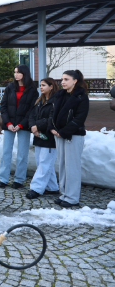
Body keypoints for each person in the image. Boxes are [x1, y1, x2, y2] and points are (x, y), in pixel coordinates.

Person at [50, 70, 90, 208]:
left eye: (66, 79)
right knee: (62, 165)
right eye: (62, 79)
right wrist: (52, 128)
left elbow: (79, 119)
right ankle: (64, 194)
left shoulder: (81, 97)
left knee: (72, 167)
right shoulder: (60, 95)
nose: (63, 82)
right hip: (58, 134)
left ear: (75, 81)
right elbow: (52, 113)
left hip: (74, 135)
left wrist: (64, 132)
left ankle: (72, 197)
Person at [0, 64, 39, 189]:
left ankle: (19, 180)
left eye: (18, 72)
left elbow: (32, 110)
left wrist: (21, 124)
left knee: (22, 154)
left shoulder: (32, 90)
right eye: (15, 72)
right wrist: (8, 123)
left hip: (24, 125)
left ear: (25, 74)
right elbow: (3, 106)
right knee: (6, 152)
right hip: (9, 124)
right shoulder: (10, 87)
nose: (16, 74)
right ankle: (3, 179)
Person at [26, 78, 60, 199]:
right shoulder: (39, 101)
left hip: (50, 137)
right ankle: (52, 187)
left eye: (44, 85)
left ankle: (36, 188)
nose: (41, 87)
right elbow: (32, 115)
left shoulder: (56, 101)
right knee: (41, 162)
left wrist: (37, 126)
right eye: (40, 85)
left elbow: (52, 118)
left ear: (51, 86)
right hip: (39, 136)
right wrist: (33, 127)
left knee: (44, 163)